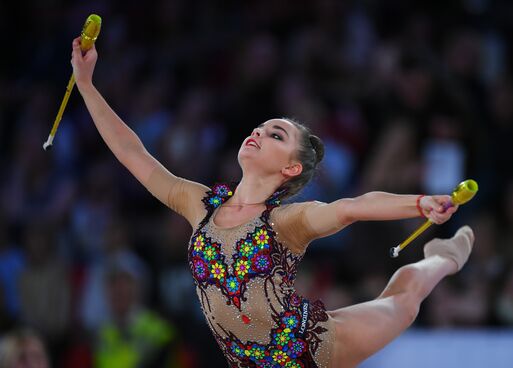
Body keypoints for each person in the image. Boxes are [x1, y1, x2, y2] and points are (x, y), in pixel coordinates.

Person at [70, 37, 474, 368]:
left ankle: (441, 258)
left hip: (314, 351)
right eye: (260, 128)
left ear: (291, 169)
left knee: (402, 303)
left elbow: (353, 206)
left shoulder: (286, 221)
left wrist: (420, 203)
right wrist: (87, 86)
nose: (259, 134)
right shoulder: (200, 205)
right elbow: (132, 153)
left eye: (275, 135)